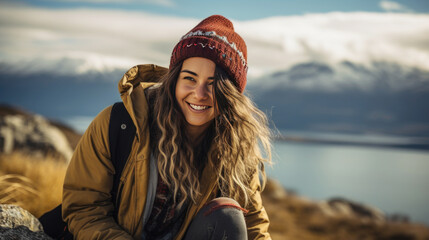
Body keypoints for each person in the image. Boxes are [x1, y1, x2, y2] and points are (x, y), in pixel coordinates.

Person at [62, 15, 272, 240]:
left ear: (231, 95)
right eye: (189, 79)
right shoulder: (119, 125)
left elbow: (253, 226)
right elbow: (84, 208)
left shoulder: (236, 149)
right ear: (174, 80)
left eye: (213, 84)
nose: (199, 94)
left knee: (227, 215)